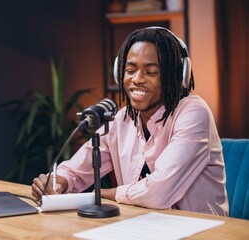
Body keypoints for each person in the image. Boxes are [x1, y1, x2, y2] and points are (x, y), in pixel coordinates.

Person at [31, 27, 229, 216]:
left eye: (151, 72)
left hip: (200, 230)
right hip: (142, 226)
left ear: (177, 76)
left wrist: (100, 196)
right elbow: (76, 170)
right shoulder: (121, 119)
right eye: (130, 70)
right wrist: (59, 182)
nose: (137, 79)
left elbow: (158, 192)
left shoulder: (193, 112)